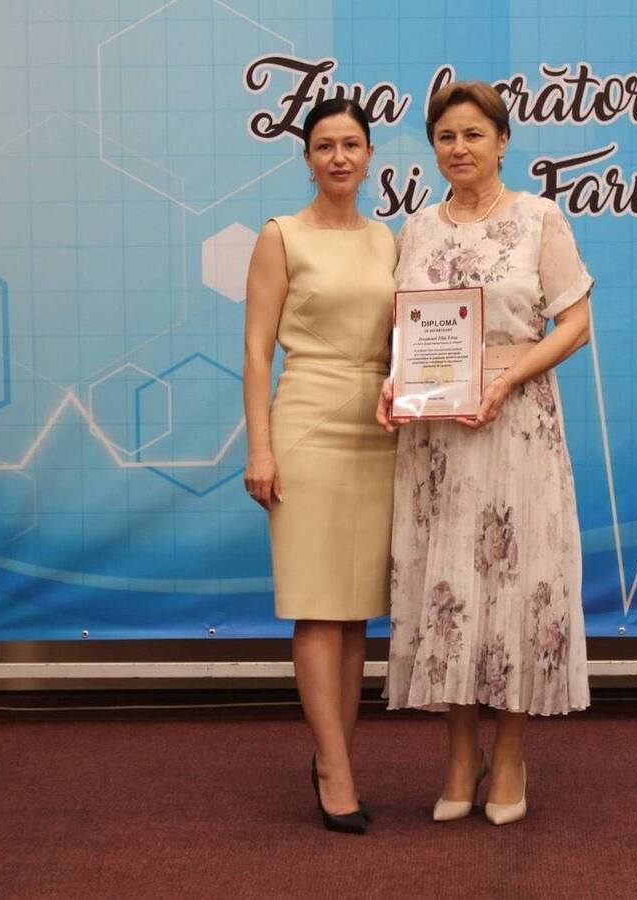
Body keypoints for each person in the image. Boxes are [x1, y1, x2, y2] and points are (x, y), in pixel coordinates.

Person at [377, 81, 593, 826]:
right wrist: (394, 382)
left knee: (516, 585)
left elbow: (576, 325)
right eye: (446, 136)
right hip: (438, 439)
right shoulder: (417, 228)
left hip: (515, 425)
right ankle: (458, 753)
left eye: (474, 134)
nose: (459, 148)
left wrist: (505, 380)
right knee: (449, 591)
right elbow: (406, 332)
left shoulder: (540, 219)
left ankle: (510, 755)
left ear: (503, 142)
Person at [243, 98, 397, 835]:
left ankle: (337, 756)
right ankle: (335, 771)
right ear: (307, 158)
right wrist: (261, 446)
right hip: (305, 423)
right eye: (325, 145)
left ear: (369, 156)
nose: (339, 157)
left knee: (356, 606)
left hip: (379, 429)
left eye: (352, 144)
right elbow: (256, 352)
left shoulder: (388, 239)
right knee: (316, 601)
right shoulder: (281, 235)